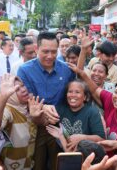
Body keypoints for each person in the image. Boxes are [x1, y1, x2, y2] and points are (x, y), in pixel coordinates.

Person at [17, 32, 75, 170]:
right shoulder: (25, 70)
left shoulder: (66, 70)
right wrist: (44, 107)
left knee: (59, 164)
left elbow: (73, 94)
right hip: (35, 125)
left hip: (60, 125)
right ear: (37, 49)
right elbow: (26, 97)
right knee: (38, 163)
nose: (50, 56)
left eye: (54, 52)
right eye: (45, 51)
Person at [69, 63, 117, 158]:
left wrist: (115, 144)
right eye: (116, 92)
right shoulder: (111, 101)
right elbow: (94, 89)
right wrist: (82, 73)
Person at [46, 80, 105, 151]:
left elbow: (101, 138)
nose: (73, 95)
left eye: (77, 92)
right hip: (63, 152)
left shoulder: (92, 112)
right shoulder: (60, 109)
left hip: (85, 154)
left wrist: (82, 138)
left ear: (85, 97)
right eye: (70, 92)